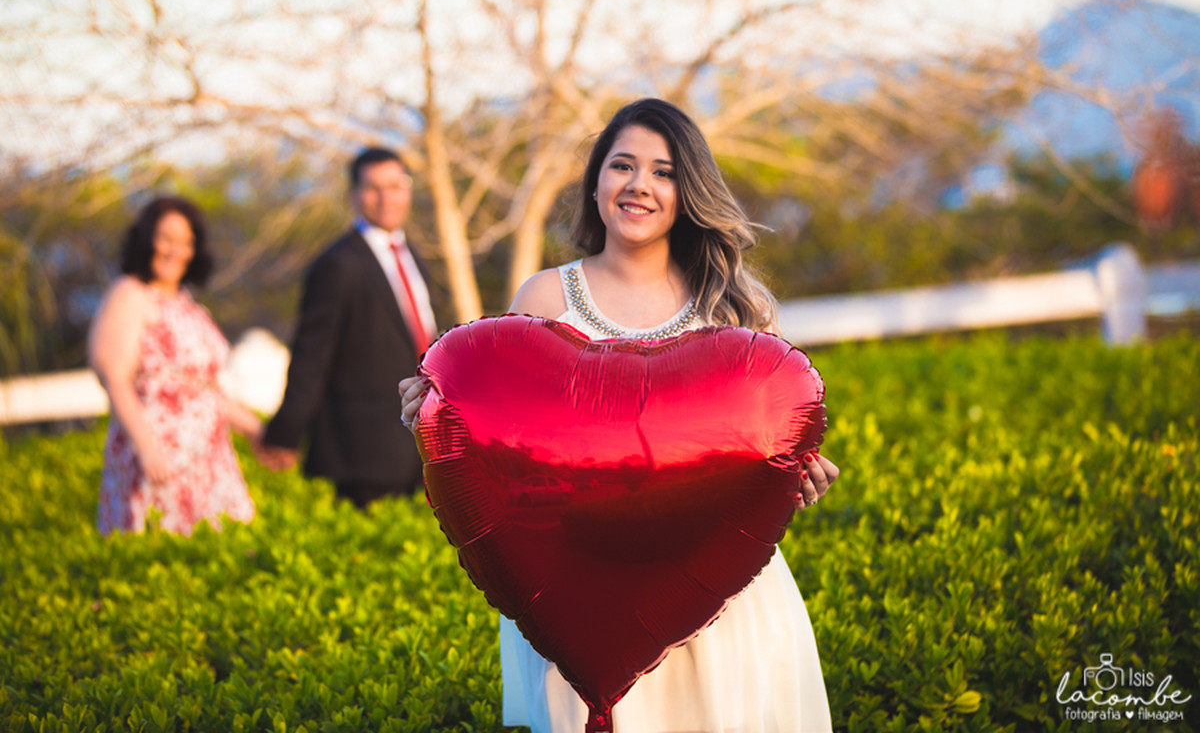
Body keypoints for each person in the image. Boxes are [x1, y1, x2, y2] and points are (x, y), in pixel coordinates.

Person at [402, 98, 838, 732]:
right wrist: (435, 424)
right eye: (622, 165)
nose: (639, 185)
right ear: (596, 182)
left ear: (688, 191)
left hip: (715, 598)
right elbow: (504, 443)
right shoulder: (544, 297)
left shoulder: (737, 308)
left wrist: (798, 479)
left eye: (663, 171)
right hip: (574, 598)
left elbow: (763, 450)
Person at [258, 147, 436, 508]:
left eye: (395, 185)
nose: (386, 197)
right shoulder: (338, 264)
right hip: (360, 454)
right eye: (373, 188)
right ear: (353, 194)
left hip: (417, 446)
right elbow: (311, 356)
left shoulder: (413, 255)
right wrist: (284, 434)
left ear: (408, 190)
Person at [90, 195, 263, 535]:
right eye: (165, 238)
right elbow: (115, 377)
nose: (174, 250)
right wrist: (148, 449)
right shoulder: (130, 294)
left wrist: (257, 431)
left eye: (185, 242)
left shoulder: (187, 304)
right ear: (146, 240)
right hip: (158, 461)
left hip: (209, 462)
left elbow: (204, 390)